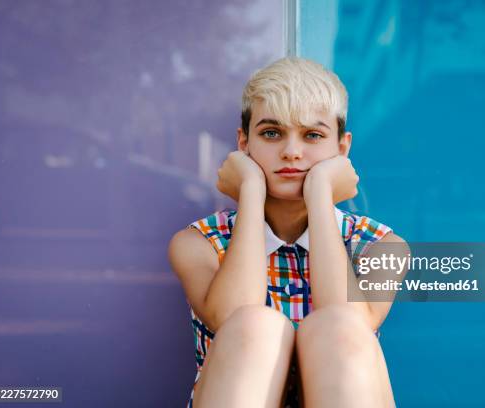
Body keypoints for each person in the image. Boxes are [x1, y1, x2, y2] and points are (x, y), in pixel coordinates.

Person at [168, 57, 407, 408]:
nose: (291, 152)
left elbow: (349, 327)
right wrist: (250, 189)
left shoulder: (383, 248)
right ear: (243, 143)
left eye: (312, 135)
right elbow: (231, 317)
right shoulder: (198, 244)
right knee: (254, 326)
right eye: (271, 133)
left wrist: (321, 193)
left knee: (339, 326)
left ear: (342, 148)